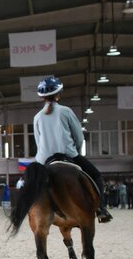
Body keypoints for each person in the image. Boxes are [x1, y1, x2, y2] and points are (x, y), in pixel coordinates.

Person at [33, 76, 113, 223]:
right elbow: (79, 137)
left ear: (42, 97)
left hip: (45, 159)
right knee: (96, 176)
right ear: (58, 94)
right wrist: (73, 151)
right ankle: (101, 208)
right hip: (68, 154)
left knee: (32, 184)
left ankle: (33, 210)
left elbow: (38, 142)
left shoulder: (37, 117)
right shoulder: (66, 111)